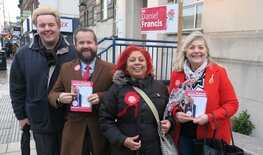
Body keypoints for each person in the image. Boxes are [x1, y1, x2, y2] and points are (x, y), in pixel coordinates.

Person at [9, 6, 77, 155]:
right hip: (39, 120)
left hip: (68, 120)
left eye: (51, 25)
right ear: (36, 28)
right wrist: (21, 116)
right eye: (42, 25)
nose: (47, 29)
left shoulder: (74, 52)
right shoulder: (23, 54)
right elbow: (17, 88)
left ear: (58, 25)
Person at [165, 31, 239, 155]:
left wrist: (209, 117)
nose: (196, 51)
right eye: (192, 47)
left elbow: (232, 105)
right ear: (186, 52)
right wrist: (177, 114)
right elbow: (171, 103)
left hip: (210, 138)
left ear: (206, 52)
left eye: (201, 47)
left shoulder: (219, 73)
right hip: (184, 135)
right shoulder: (177, 74)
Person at [48, 27, 113, 155]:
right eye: (81, 43)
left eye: (89, 42)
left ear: (96, 44)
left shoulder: (110, 68)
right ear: (75, 45)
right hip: (73, 130)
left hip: (100, 129)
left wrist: (101, 97)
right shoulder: (66, 68)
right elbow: (52, 94)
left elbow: (117, 94)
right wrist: (60, 97)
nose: (85, 46)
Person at [98, 45, 174, 155]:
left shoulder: (160, 87)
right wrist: (122, 140)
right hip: (124, 151)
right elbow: (105, 120)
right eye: (132, 60)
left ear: (147, 65)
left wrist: (169, 123)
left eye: (141, 60)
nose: (137, 63)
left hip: (153, 150)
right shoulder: (117, 88)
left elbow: (169, 114)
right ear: (126, 66)